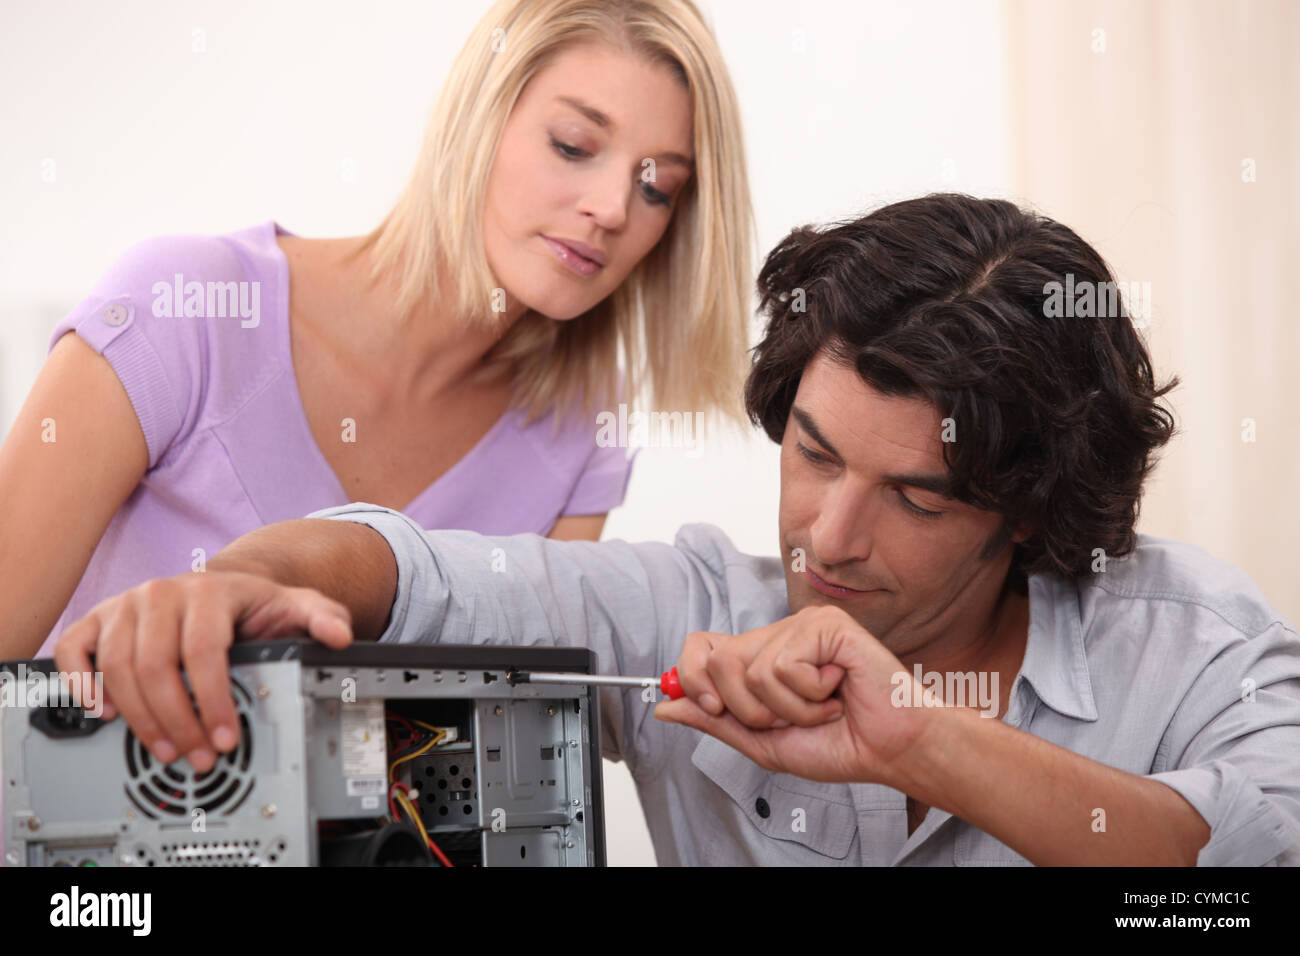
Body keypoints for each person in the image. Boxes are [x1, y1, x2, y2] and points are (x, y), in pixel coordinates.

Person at [53, 194, 1300, 865]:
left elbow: (1227, 864)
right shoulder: (694, 610)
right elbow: (422, 573)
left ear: (1027, 511)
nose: (829, 533)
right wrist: (236, 579)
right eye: (810, 456)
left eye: (916, 497)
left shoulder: (1198, 649)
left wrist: (920, 742)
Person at [0, 0, 754, 661]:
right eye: (573, 145)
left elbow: (509, 732)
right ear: (480, 119)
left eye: (657, 187)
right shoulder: (187, 305)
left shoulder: (582, 426)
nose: (614, 208)